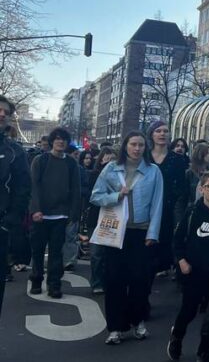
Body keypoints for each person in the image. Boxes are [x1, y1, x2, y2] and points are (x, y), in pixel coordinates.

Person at [90, 131, 163, 345]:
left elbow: (158, 204)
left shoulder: (153, 171)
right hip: (115, 231)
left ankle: (138, 321)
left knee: (140, 279)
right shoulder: (111, 168)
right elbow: (95, 196)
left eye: (141, 145)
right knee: (114, 280)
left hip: (140, 232)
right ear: (125, 146)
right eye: (133, 144)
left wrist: (153, 233)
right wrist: (116, 196)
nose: (137, 148)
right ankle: (115, 327)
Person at [167, 170, 209, 362]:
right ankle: (177, 336)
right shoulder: (192, 212)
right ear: (201, 189)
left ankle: (204, 349)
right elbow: (177, 240)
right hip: (193, 271)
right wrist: (182, 261)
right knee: (189, 309)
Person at [28, 128, 81, 299]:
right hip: (40, 215)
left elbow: (76, 190)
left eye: (64, 139)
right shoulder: (40, 160)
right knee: (37, 251)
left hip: (61, 215)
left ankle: (54, 284)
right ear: (52, 141)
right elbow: (33, 186)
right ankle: (36, 280)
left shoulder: (72, 164)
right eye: (57, 139)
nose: (60, 142)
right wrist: (35, 210)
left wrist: (73, 215)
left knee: (56, 253)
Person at [0, 95, 32, 317]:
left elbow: (23, 188)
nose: (2, 114)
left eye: (6, 112)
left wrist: (10, 220)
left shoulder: (15, 151)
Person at [147, 121, 189, 278]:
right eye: (158, 131)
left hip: (167, 209)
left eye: (165, 131)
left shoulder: (177, 159)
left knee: (161, 250)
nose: (162, 134)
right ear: (152, 134)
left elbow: (181, 188)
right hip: (145, 208)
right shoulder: (145, 156)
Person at [82, 146, 116, 294]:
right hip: (96, 217)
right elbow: (90, 196)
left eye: (113, 158)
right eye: (107, 157)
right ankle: (97, 282)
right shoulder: (94, 175)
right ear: (101, 159)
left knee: (109, 253)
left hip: (113, 217)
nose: (109, 160)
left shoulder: (120, 176)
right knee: (96, 253)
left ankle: (107, 280)